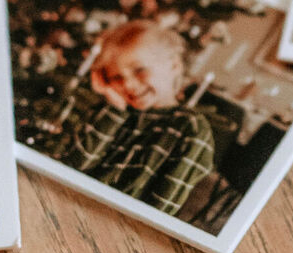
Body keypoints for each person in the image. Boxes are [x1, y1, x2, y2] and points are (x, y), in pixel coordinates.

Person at [58, 19, 214, 217]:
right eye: (117, 77)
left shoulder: (191, 128)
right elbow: (71, 167)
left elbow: (159, 212)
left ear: (174, 65)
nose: (128, 85)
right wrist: (113, 108)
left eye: (140, 70)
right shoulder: (117, 110)